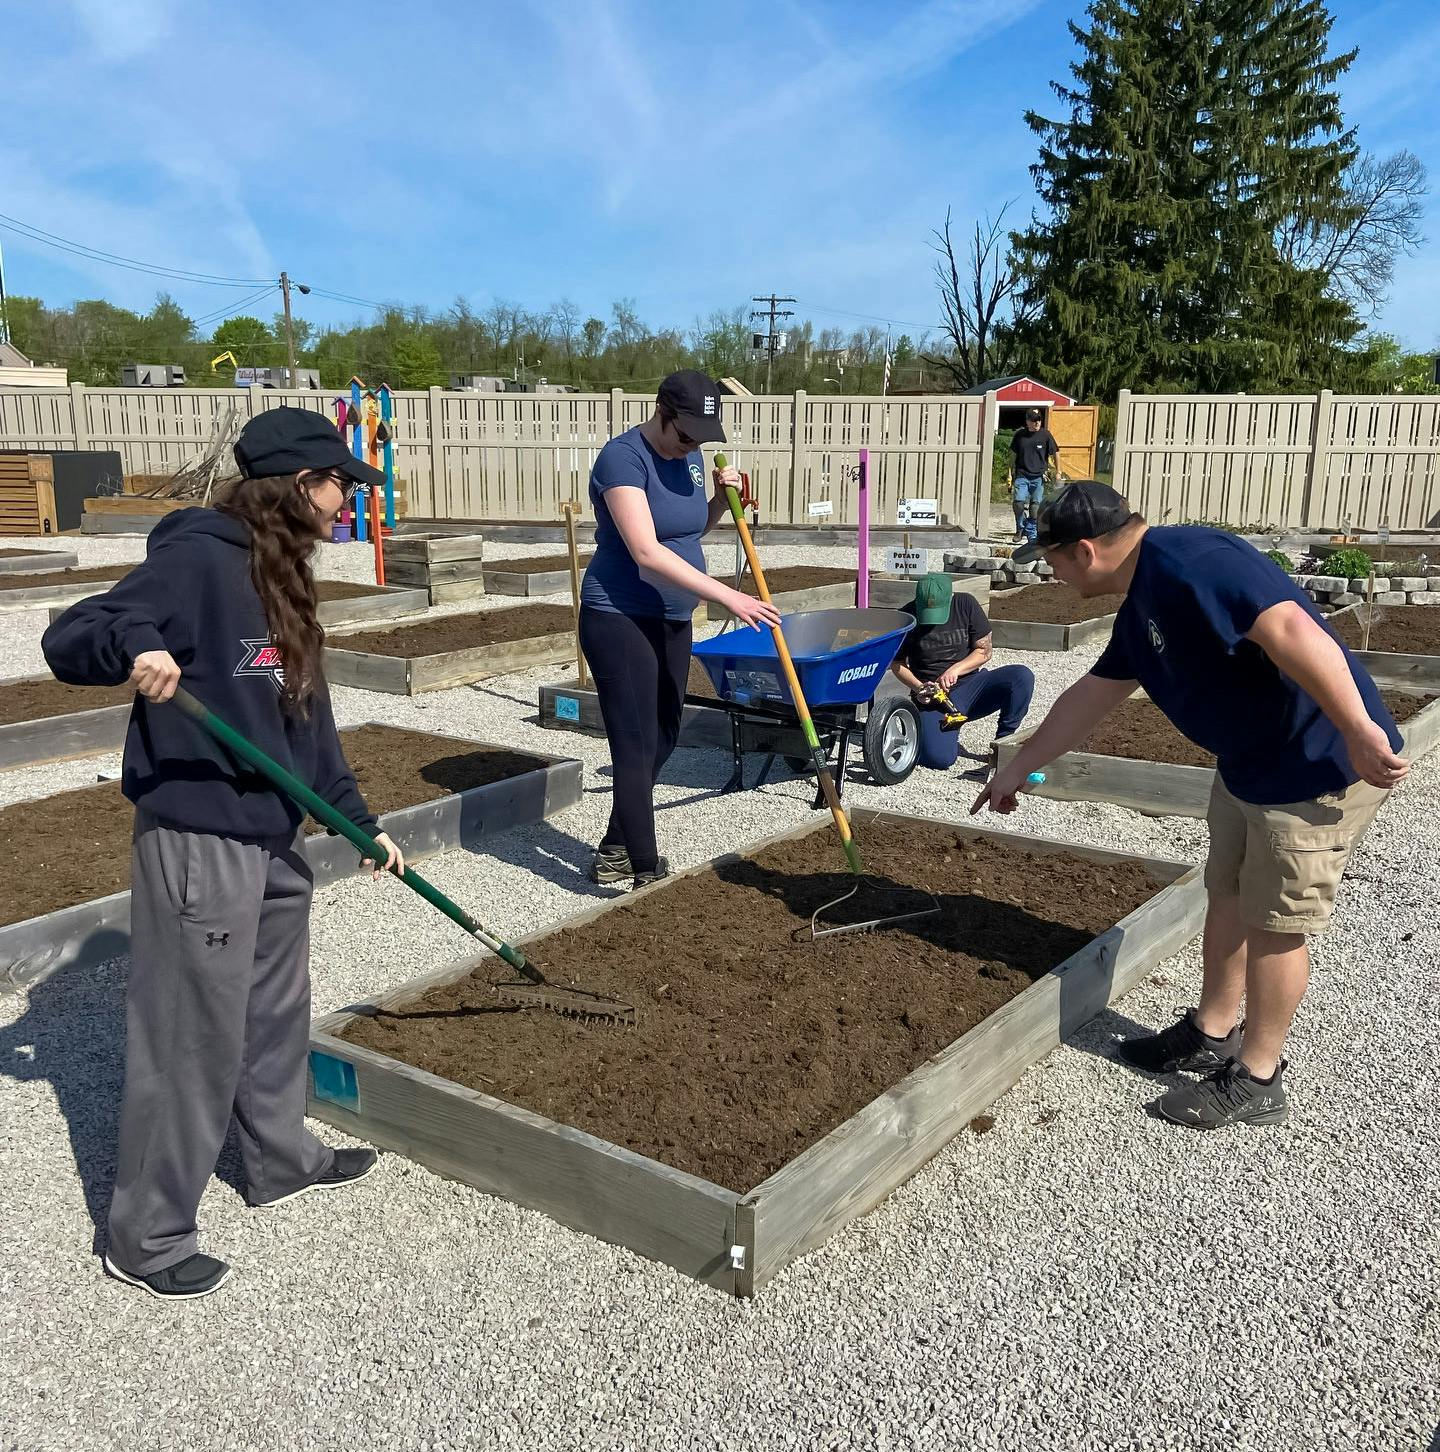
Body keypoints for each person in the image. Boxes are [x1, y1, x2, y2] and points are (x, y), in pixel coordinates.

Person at [42, 407, 404, 1301]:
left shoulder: (286, 578)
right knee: (188, 1038)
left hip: (277, 834)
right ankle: (149, 1237)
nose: (344, 504)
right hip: (201, 837)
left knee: (276, 1010)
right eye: (337, 487)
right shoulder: (196, 560)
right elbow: (74, 634)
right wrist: (140, 645)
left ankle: (280, 1158)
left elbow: (306, 715)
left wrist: (358, 822)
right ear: (294, 486)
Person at [973, 481, 1407, 1129]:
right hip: (1248, 764)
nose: (1052, 575)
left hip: (1315, 765)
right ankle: (1213, 1030)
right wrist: (1019, 770)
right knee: (1228, 892)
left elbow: (1290, 624)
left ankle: (1260, 1076)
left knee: (1276, 923)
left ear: (1085, 552)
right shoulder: (1144, 594)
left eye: (1053, 561)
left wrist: (1358, 727)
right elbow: (1090, 697)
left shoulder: (1193, 565)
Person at [579, 370, 781, 887]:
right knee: (633, 740)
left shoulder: (688, 458)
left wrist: (719, 501)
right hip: (620, 615)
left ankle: (616, 847)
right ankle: (644, 868)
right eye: (685, 432)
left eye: (700, 435)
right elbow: (647, 553)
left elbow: (686, 529)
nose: (692, 443)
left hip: (673, 615)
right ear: (662, 413)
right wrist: (728, 596)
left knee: (666, 731)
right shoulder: (622, 459)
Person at [890, 572, 1034, 770]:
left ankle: (1003, 745)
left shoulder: (965, 604)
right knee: (939, 759)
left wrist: (956, 669)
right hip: (933, 697)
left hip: (971, 687)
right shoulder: (907, 617)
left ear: (950, 598)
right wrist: (918, 687)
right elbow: (896, 663)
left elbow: (984, 651)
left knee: (1021, 676)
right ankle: (923, 733)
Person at [1009, 408, 1060, 544]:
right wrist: (1009, 473)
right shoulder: (1020, 436)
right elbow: (1012, 455)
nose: (1037, 423)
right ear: (1027, 421)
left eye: (1038, 420)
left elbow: (1055, 452)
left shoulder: (1046, 435)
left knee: (1035, 508)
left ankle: (1031, 532)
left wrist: (1058, 471)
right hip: (1022, 474)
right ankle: (1020, 528)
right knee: (1018, 503)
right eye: (1033, 420)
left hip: (1038, 477)